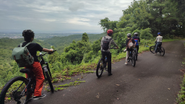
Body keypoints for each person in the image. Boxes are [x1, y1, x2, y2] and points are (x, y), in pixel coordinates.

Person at [19, 29, 53, 100]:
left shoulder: (20, 45)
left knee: (28, 79)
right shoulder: (34, 45)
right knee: (40, 77)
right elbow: (43, 49)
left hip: (26, 64)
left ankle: (28, 95)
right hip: (34, 64)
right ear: (32, 37)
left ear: (24, 37)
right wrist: (51, 50)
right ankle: (37, 94)